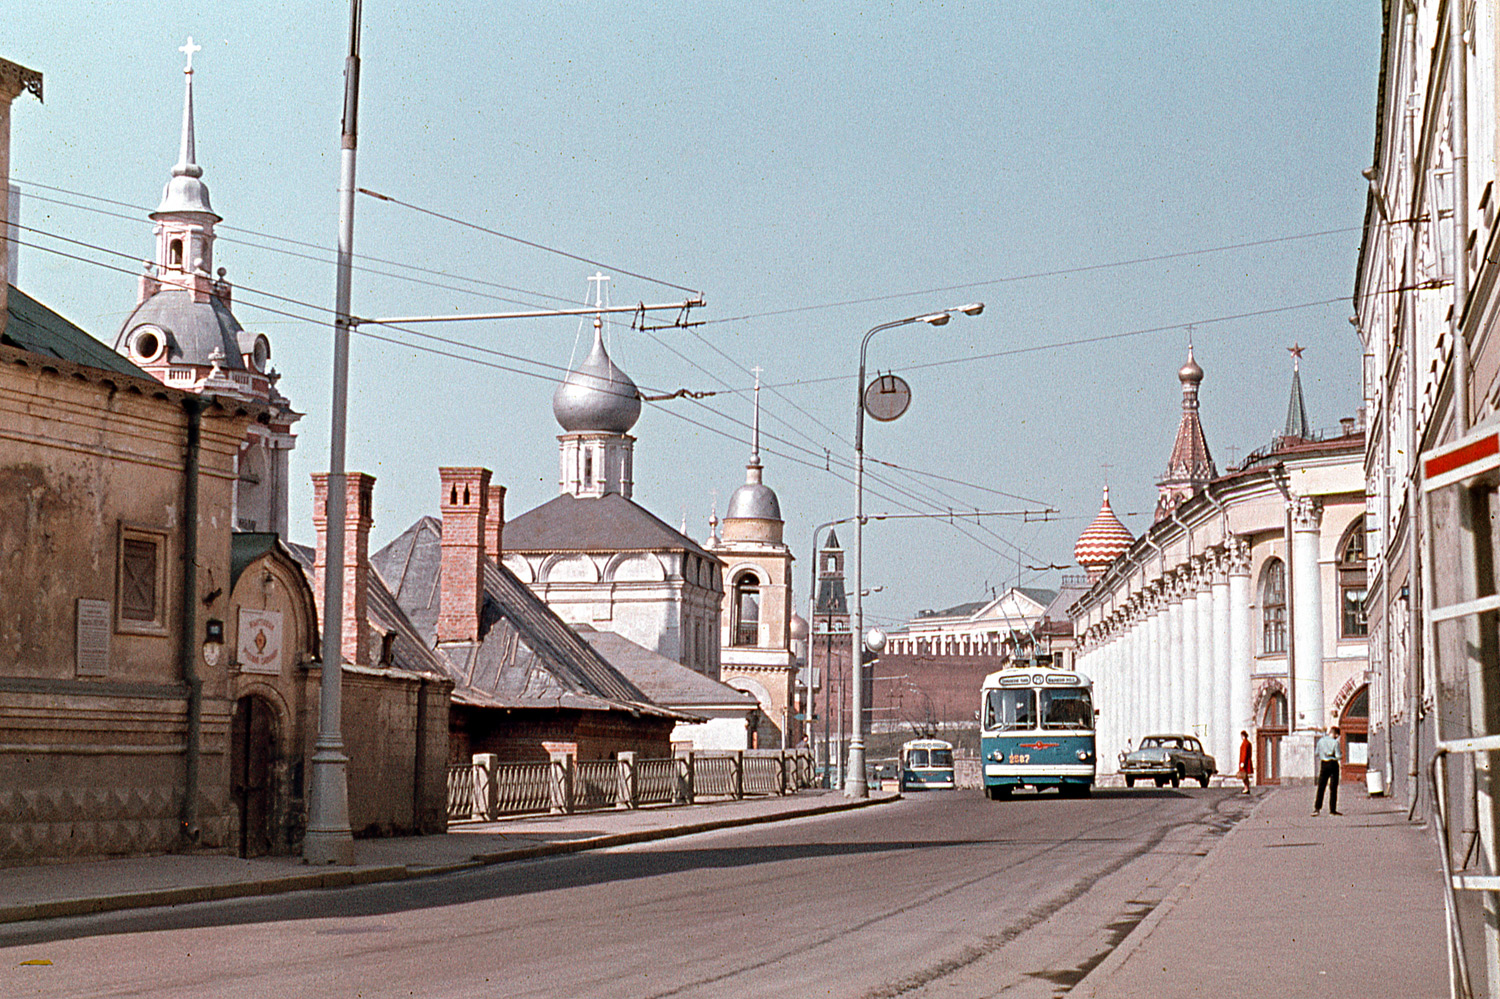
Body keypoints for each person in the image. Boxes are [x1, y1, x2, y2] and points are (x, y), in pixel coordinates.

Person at [1312, 726, 1342, 816]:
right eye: (1337, 735)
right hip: (1333, 764)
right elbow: (1338, 756)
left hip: (1323, 764)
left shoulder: (1321, 741)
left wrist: (1323, 754)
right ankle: (1332, 810)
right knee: (1333, 788)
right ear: (1335, 734)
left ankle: (1317, 808)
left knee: (1321, 786)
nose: (1337, 737)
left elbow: (1316, 753)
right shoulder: (1335, 743)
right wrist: (1341, 755)